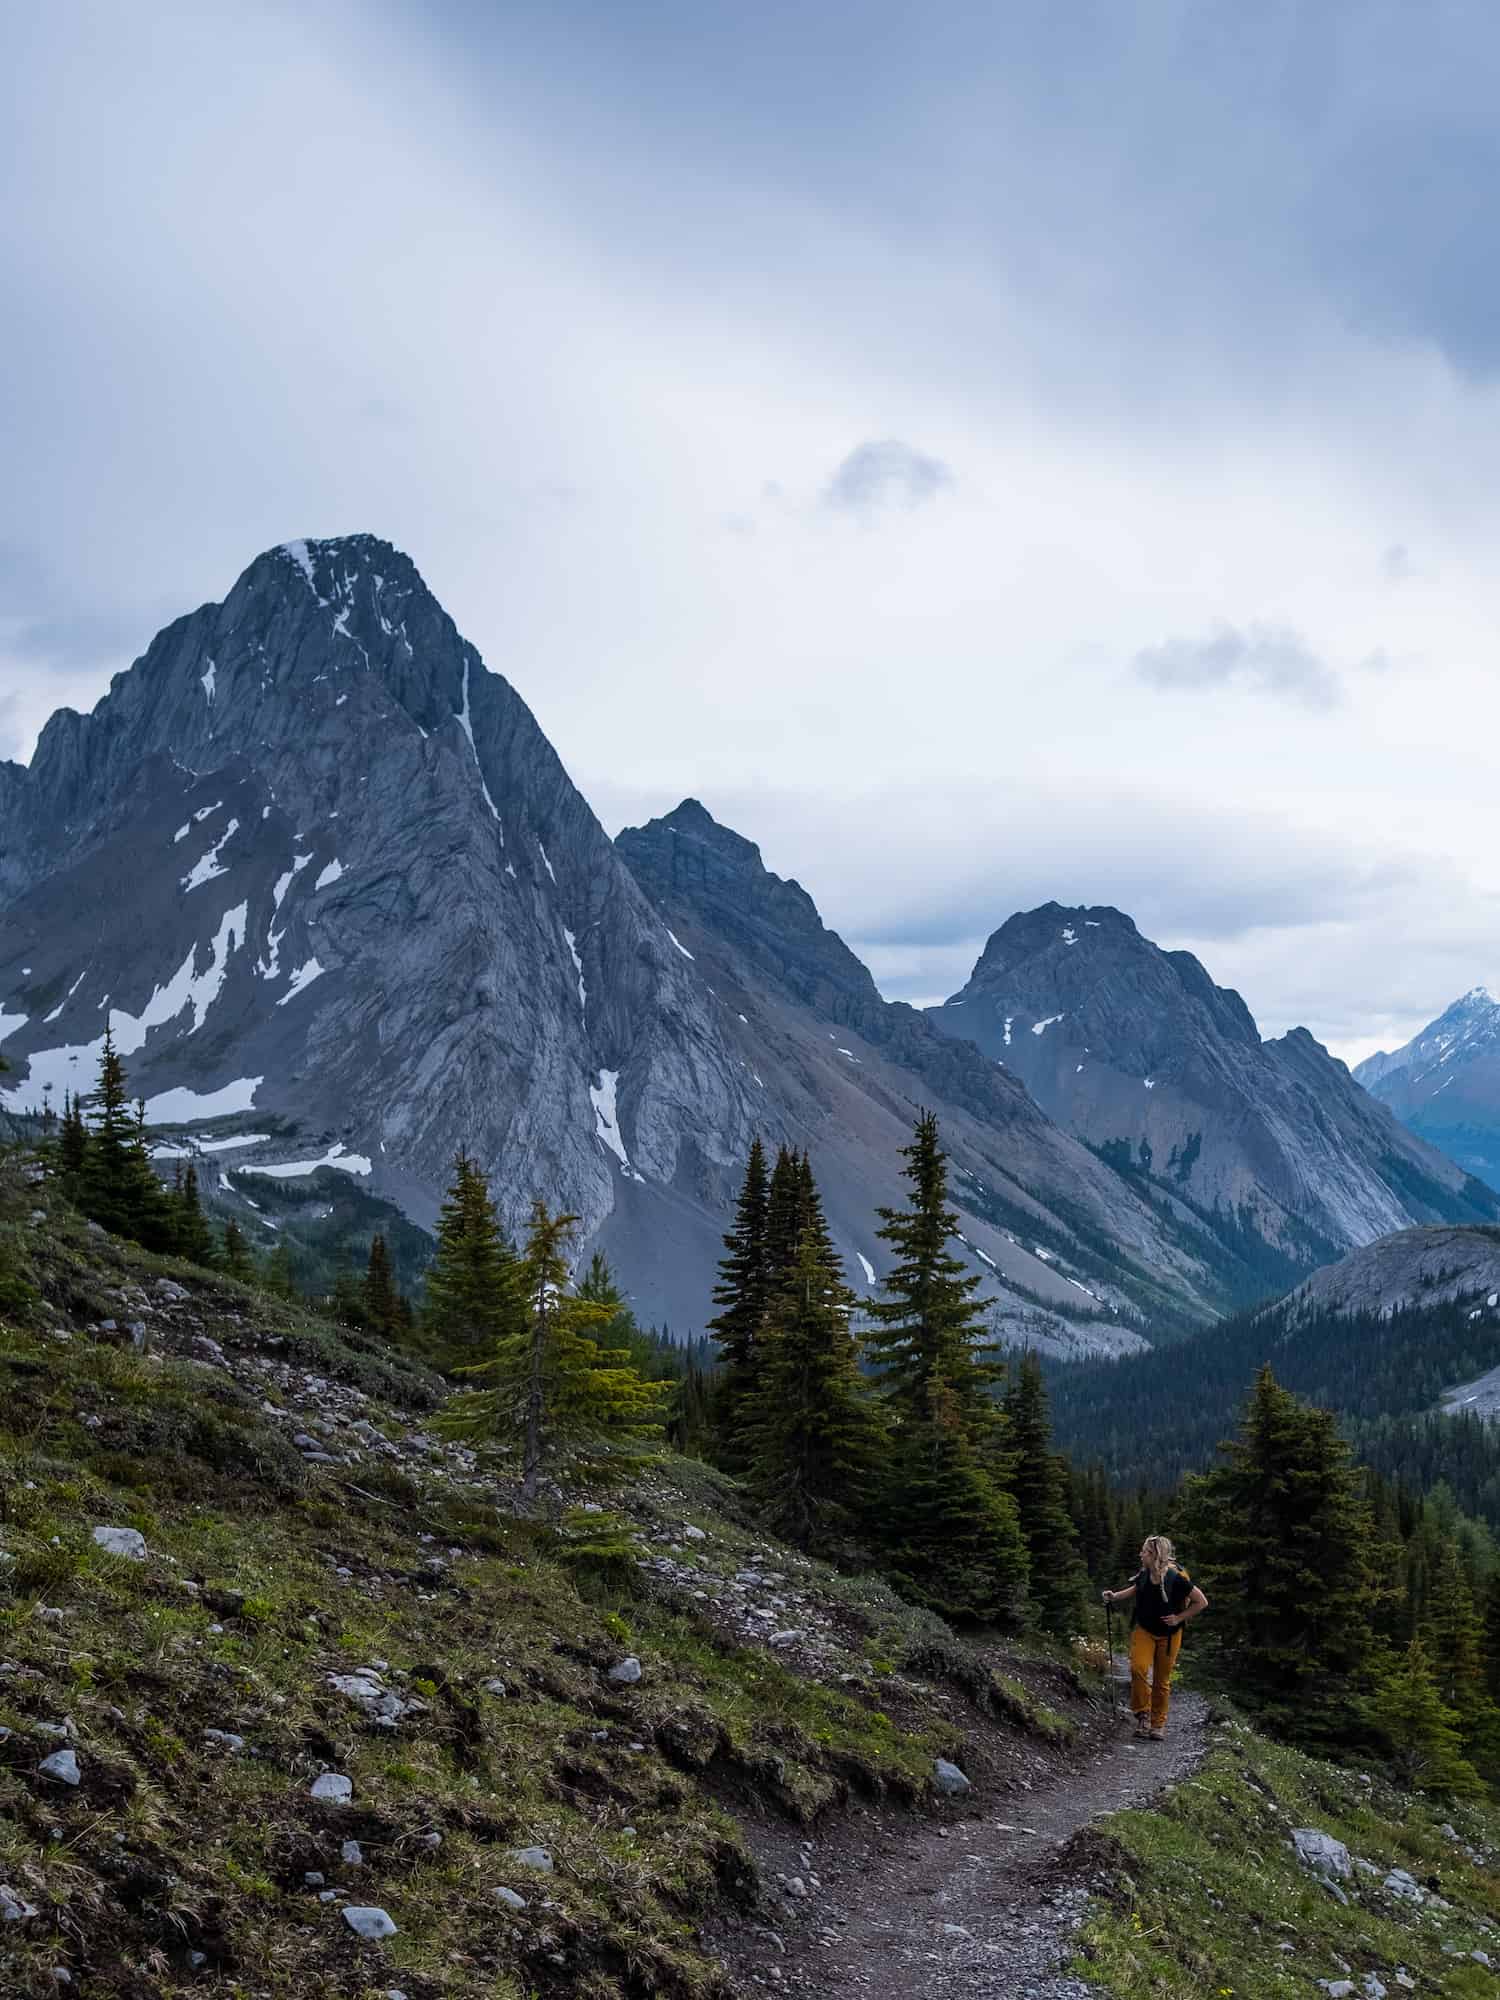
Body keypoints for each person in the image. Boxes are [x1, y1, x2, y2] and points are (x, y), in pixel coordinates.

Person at [1102, 1534, 1207, 1740]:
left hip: (1169, 1635)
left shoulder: (1175, 1578)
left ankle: (1158, 1725)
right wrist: (1114, 1596)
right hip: (1145, 1630)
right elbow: (1135, 1590)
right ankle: (1143, 1714)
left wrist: (1178, 1618)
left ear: (1154, 1555)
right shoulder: (1145, 1573)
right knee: (1138, 1669)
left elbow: (1201, 1601)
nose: (1140, 1554)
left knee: (1162, 1680)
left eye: (1144, 1552)